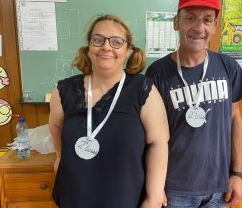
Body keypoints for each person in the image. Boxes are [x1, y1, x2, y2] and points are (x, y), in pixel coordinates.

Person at [49, 14, 169, 208]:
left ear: (128, 50)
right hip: (75, 196)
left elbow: (159, 143)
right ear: (89, 46)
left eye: (116, 42)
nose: (106, 47)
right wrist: (60, 158)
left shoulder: (142, 89)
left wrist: (154, 197)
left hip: (125, 198)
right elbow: (55, 128)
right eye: (98, 40)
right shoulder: (64, 91)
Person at [146, 0, 242, 208]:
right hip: (174, 188)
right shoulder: (157, 72)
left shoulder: (228, 67)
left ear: (215, 26)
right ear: (176, 22)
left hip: (218, 187)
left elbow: (235, 119)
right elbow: (150, 135)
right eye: (190, 18)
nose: (198, 27)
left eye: (206, 19)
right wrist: (155, 186)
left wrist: (237, 174)